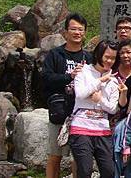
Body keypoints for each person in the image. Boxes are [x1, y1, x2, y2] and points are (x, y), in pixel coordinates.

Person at [42, 13, 94, 178]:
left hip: (81, 113)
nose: (77, 32)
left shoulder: (89, 57)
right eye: (73, 29)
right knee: (55, 154)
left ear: (85, 33)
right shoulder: (55, 55)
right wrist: (69, 76)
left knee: (78, 156)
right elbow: (46, 78)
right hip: (59, 110)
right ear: (65, 32)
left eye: (80, 29)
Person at [70, 40, 121, 178]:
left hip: (102, 130)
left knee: (109, 171)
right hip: (81, 128)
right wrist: (100, 81)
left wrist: (100, 100)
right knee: (85, 170)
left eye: (113, 58)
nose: (110, 61)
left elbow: (112, 108)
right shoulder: (83, 71)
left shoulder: (114, 79)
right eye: (107, 57)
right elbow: (80, 93)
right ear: (99, 54)